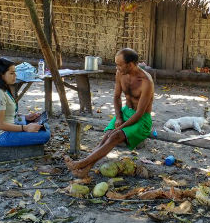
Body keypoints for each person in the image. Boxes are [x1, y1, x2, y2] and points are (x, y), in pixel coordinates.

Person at [65, 48, 154, 178]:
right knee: (106, 136)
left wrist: (121, 127)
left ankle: (80, 163)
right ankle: (86, 169)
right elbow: (116, 97)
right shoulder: (119, 73)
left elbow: (140, 113)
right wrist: (118, 117)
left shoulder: (146, 81)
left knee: (114, 136)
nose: (117, 67)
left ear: (130, 64)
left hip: (141, 120)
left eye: (119, 64)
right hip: (125, 112)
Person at [0, 58, 50, 147]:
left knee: (44, 126)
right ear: (1, 75)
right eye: (12, 73)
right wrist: (25, 128)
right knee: (45, 135)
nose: (15, 75)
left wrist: (25, 118)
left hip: (5, 128)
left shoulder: (0, 88)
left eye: (15, 72)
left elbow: (6, 114)